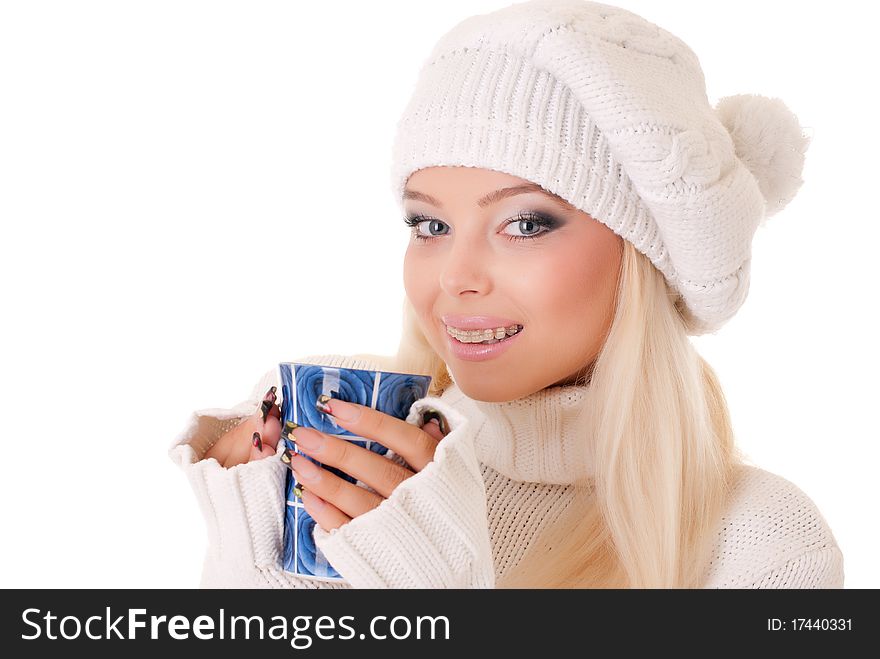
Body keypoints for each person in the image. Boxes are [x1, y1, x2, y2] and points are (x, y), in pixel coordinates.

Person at [168, 0, 844, 588]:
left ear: (643, 257)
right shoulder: (360, 495)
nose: (455, 276)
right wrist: (254, 565)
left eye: (524, 223)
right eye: (429, 224)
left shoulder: (767, 547)